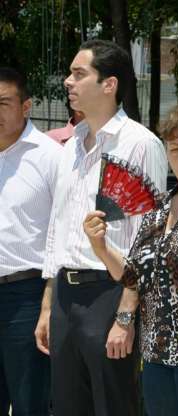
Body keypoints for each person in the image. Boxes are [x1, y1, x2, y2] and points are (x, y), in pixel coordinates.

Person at [34, 39, 168, 416]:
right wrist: (48, 304)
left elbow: (149, 240)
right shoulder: (69, 147)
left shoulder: (141, 144)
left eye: (79, 74)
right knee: (65, 407)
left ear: (109, 84)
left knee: (114, 406)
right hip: (64, 295)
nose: (67, 81)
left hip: (111, 294)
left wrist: (126, 315)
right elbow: (56, 229)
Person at [82, 103, 178, 416]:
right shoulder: (159, 207)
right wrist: (101, 246)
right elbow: (133, 276)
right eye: (176, 149)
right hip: (156, 355)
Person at [0, 67, 60, 415]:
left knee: (30, 402)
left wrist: (48, 304)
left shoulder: (50, 157)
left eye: (4, 103)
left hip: (27, 296)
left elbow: (61, 233)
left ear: (26, 106)